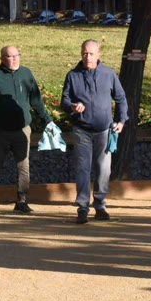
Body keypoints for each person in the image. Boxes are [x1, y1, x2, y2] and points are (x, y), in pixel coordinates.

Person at [0, 45, 52, 214]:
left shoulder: (26, 74)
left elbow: (36, 101)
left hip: (22, 129)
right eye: (9, 56)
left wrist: (48, 120)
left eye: (16, 55)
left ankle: (22, 200)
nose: (14, 59)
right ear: (2, 58)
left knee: (23, 166)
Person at [60, 39, 128, 224]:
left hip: (104, 130)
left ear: (99, 54)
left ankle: (100, 205)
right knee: (83, 169)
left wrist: (121, 121)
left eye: (91, 53)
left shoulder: (109, 74)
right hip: (81, 130)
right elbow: (64, 101)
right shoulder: (72, 75)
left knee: (103, 170)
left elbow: (121, 98)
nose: (87, 56)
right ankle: (82, 207)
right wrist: (72, 106)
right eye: (84, 53)